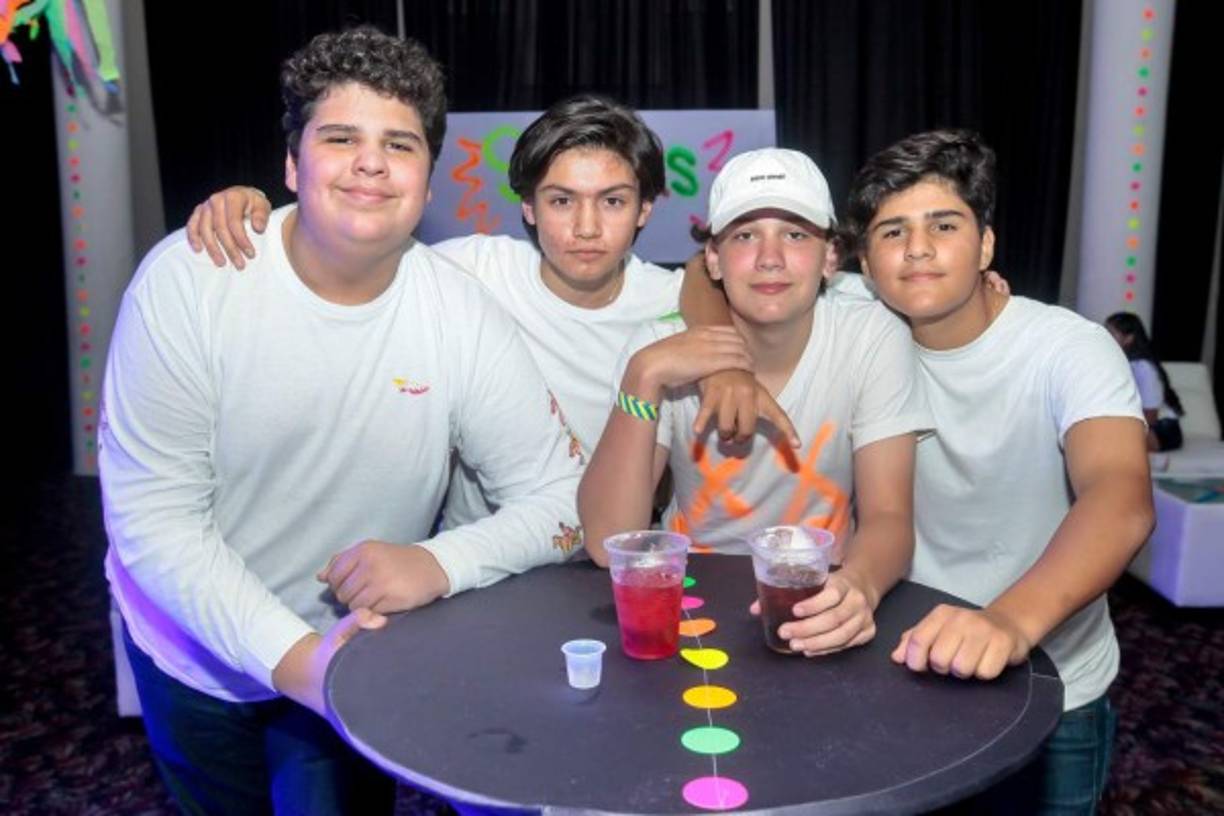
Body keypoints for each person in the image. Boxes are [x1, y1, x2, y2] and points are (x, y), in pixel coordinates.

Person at [100, 27, 582, 815]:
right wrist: (298, 661)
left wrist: (437, 563)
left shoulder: (458, 313)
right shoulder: (189, 282)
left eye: (399, 144)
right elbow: (153, 519)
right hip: (191, 651)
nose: (371, 162)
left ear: (428, 181)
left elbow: (562, 499)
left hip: (355, 650)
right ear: (292, 165)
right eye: (340, 138)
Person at [183, 94, 798, 530]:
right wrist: (261, 205)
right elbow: (358, 244)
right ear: (528, 207)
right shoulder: (472, 270)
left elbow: (708, 274)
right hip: (486, 556)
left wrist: (723, 358)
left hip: (616, 557)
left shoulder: (669, 303)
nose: (586, 227)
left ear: (645, 209)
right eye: (561, 201)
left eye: (612, 201)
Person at [840, 129, 1155, 813]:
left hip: (1055, 678)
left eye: (943, 225)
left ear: (986, 246)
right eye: (893, 232)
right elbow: (716, 271)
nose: (917, 249)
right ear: (865, 263)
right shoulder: (858, 330)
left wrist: (1009, 621)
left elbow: (1119, 496)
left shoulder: (1067, 347)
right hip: (906, 663)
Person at [578, 148, 932, 657]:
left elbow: (890, 516)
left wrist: (858, 586)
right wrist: (642, 378)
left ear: (831, 256)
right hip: (688, 601)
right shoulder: (660, 350)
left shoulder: (870, 337)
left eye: (795, 235)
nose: (770, 257)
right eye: (745, 236)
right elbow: (606, 541)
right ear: (713, 259)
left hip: (817, 594)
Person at [1105, 311, 1185, 452]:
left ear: (1129, 338)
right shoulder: (1119, 363)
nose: (1104, 336)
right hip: (1141, 424)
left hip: (1162, 429)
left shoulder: (1143, 367)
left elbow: (1151, 415)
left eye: (1110, 333)